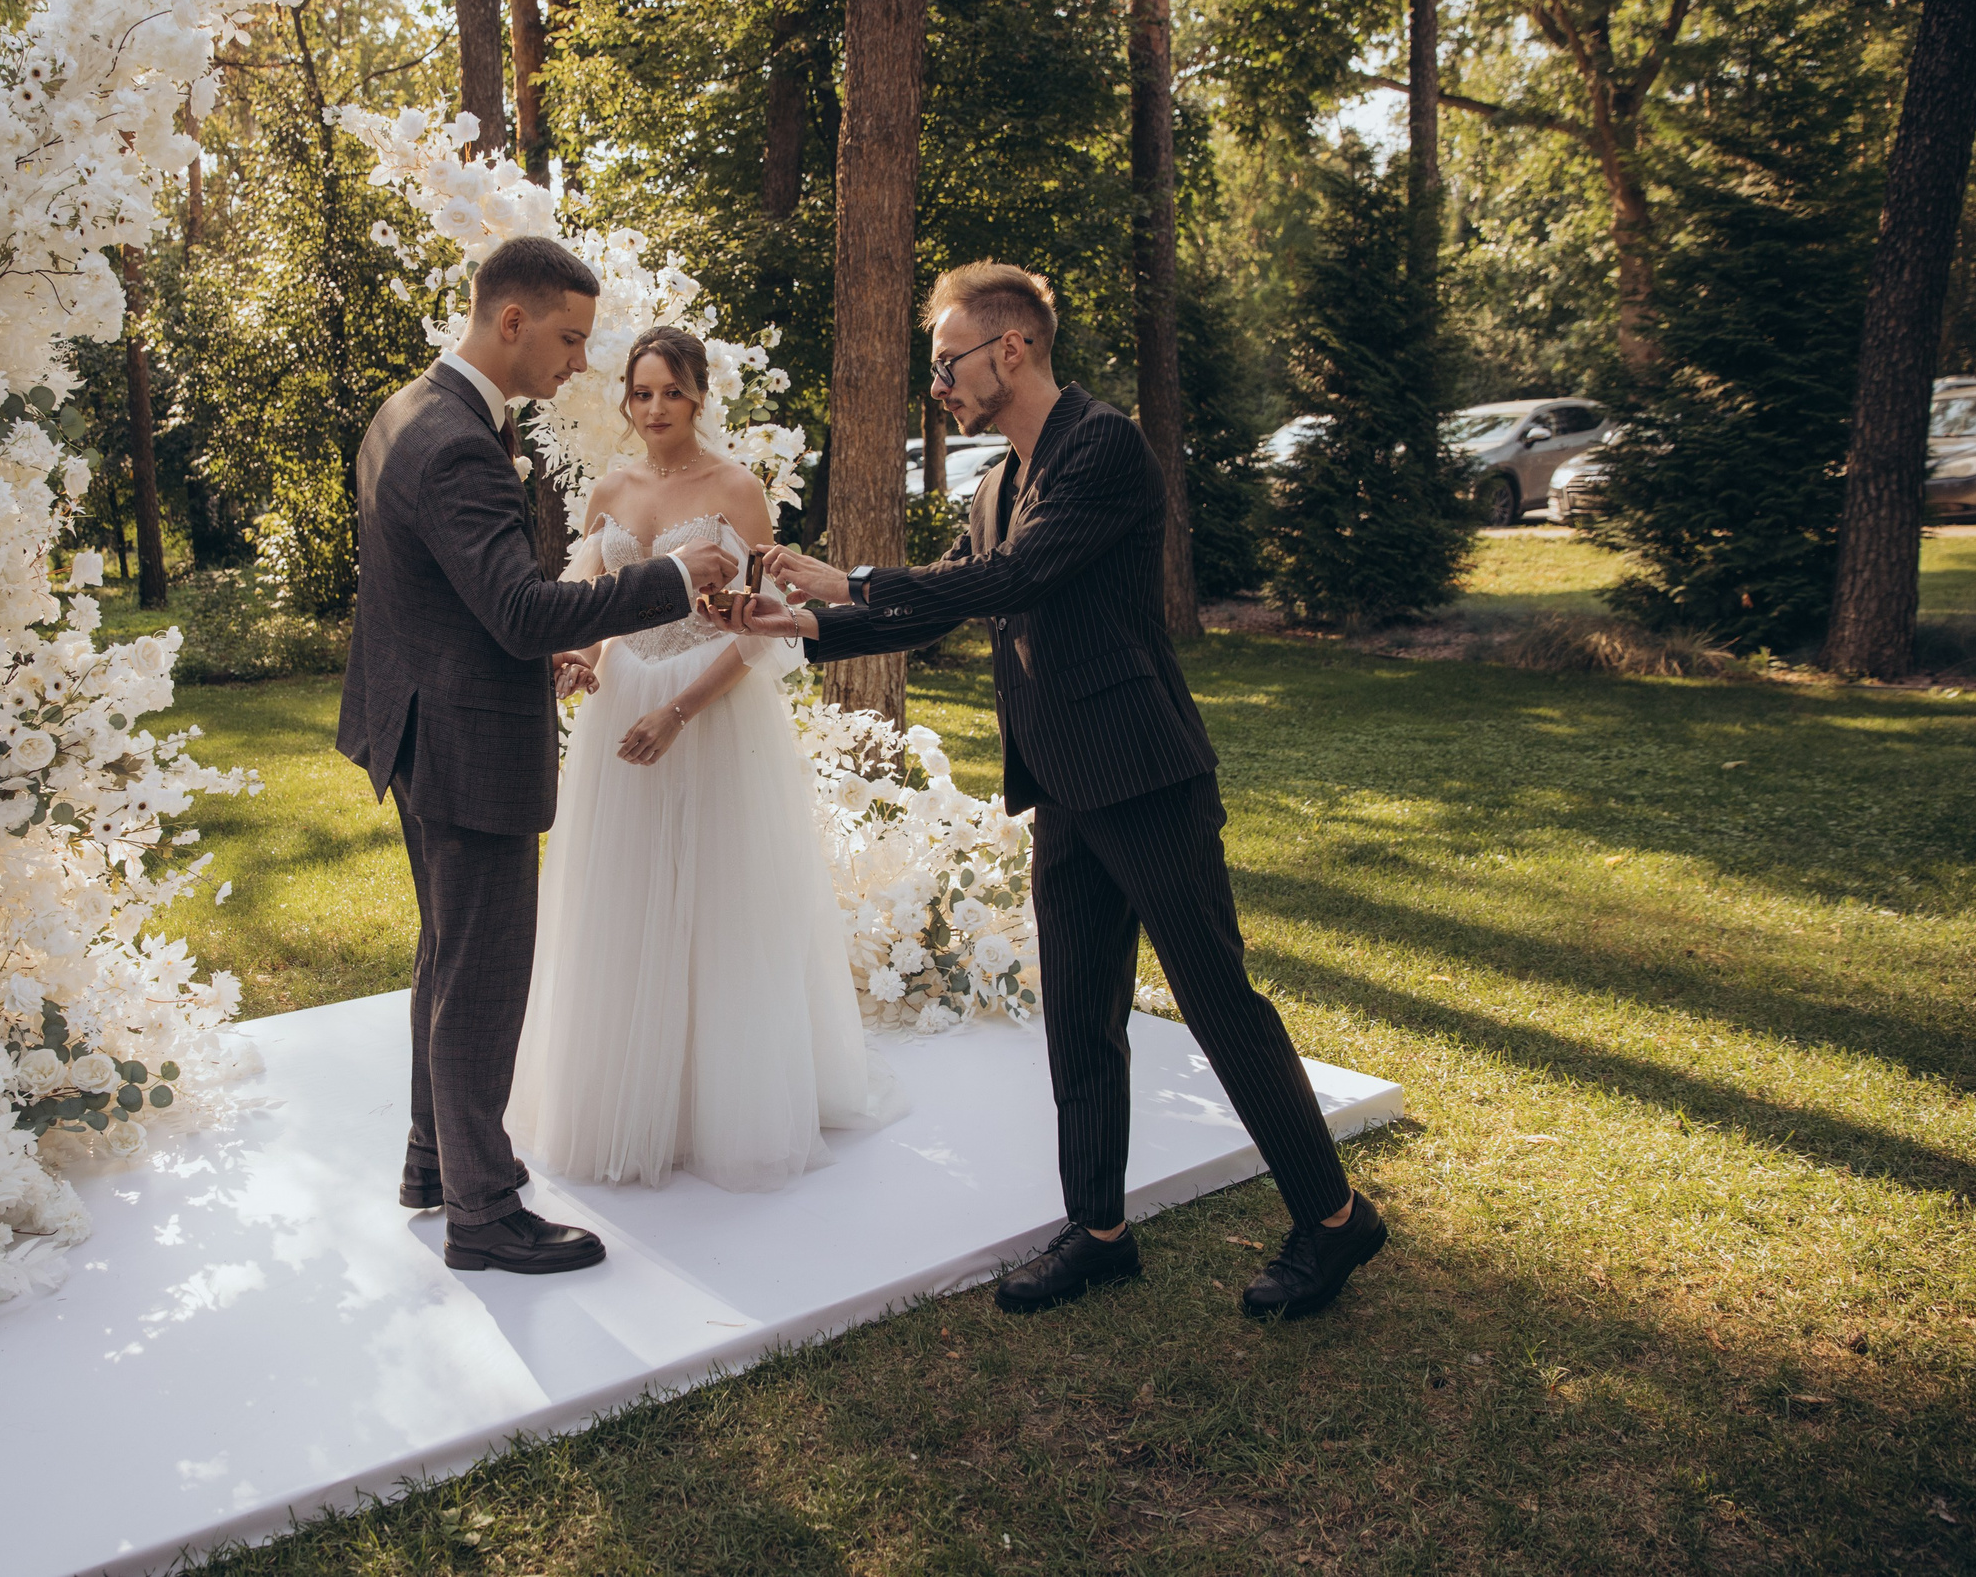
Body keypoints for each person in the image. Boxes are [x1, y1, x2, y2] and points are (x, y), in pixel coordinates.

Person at [714, 261, 1389, 1320]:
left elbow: (1015, 580)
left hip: (1145, 777)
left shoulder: (1102, 448)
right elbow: (949, 600)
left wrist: (848, 582)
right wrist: (802, 623)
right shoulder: (994, 485)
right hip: (1064, 787)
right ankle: (1099, 1232)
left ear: (1010, 349)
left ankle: (1336, 1220)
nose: (937, 385)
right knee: (1076, 1015)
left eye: (946, 363)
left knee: (1218, 1004)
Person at [337, 239, 737, 1275]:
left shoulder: (404, 411)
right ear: (509, 321)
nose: (577, 363)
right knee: (482, 979)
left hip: (416, 723)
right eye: (569, 339)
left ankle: (435, 1160)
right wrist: (672, 583)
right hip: (467, 745)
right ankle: (485, 1213)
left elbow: (449, 591)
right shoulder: (459, 442)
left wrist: (537, 628)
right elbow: (516, 609)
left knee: (447, 960)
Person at [506, 328, 904, 1194]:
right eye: (639, 394)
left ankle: (717, 1104)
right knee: (622, 896)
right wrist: (585, 658)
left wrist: (678, 710)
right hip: (621, 710)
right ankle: (625, 1093)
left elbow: (762, 632)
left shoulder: (735, 489)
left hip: (710, 712)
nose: (653, 411)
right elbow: (601, 608)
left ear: (698, 396)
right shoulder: (608, 489)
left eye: (670, 394)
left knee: (717, 904)